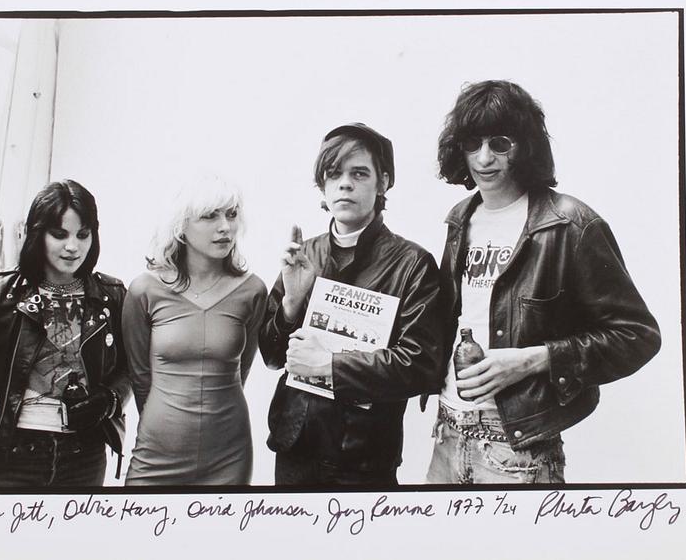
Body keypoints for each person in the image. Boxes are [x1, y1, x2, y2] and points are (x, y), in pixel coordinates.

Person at [426, 80, 661, 484]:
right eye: (472, 143)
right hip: (447, 433)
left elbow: (637, 336)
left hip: (517, 449)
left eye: (500, 143)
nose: (484, 158)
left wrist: (533, 359)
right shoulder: (459, 219)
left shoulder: (571, 224)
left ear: (525, 146)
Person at [260, 123, 442, 487]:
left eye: (359, 173)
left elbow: (420, 365)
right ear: (323, 187)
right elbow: (271, 355)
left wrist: (330, 365)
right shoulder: (304, 254)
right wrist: (292, 304)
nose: (345, 183)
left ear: (383, 183)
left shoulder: (413, 263)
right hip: (295, 449)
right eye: (334, 174)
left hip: (364, 459)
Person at [0, 179, 130, 489]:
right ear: (37, 233)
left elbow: (130, 369)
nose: (73, 247)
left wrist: (108, 399)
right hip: (12, 456)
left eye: (83, 235)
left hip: (86, 456)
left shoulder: (113, 296)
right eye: (59, 234)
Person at [123, 174, 267, 485]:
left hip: (229, 453)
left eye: (231, 214)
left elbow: (242, 371)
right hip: (157, 452)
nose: (225, 227)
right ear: (180, 226)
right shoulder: (144, 290)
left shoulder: (253, 290)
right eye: (209, 216)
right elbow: (139, 377)